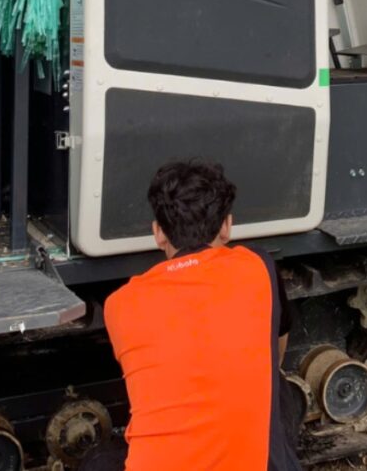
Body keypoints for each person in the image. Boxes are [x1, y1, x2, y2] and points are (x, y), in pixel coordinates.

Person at [102, 160, 302, 471]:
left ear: (158, 233)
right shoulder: (259, 267)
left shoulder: (119, 305)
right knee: (275, 385)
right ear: (226, 226)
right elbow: (276, 347)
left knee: (99, 459)